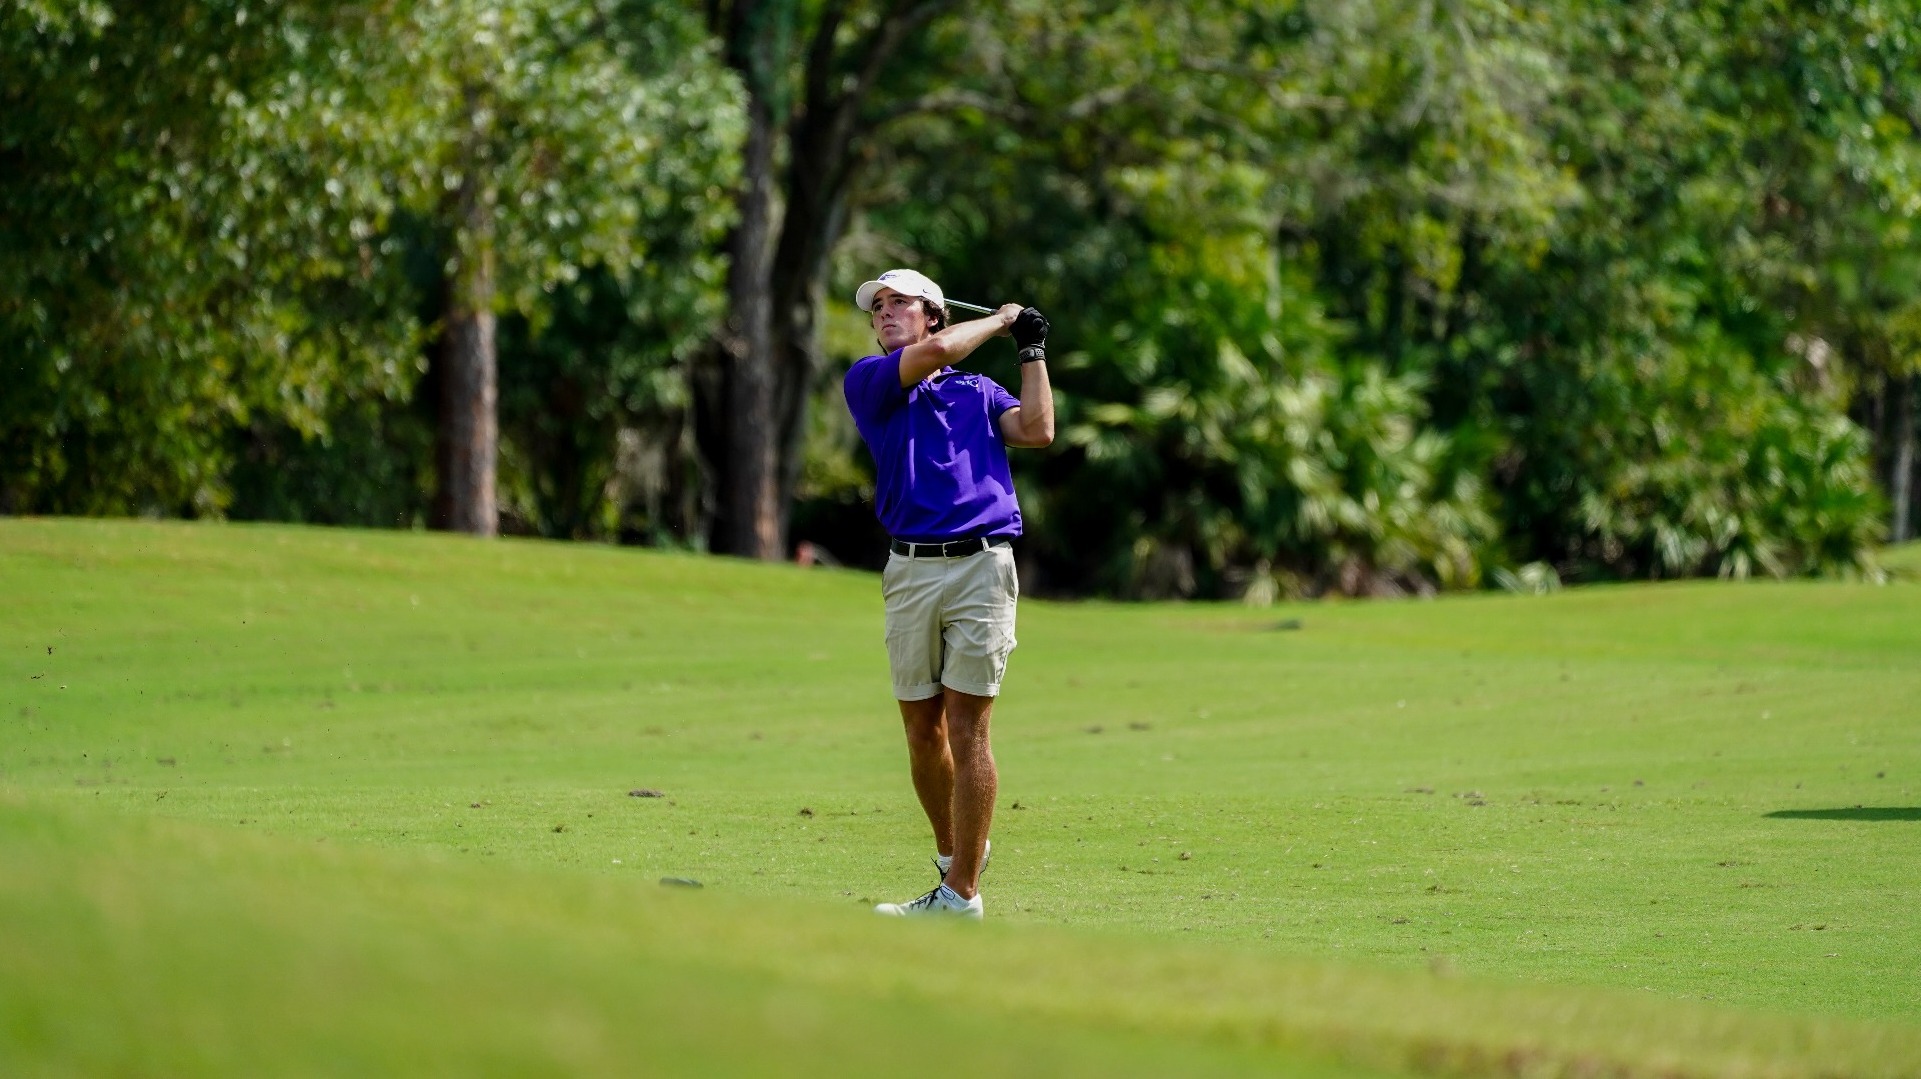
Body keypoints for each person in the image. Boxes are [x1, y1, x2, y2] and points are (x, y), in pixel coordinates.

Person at [841, 268, 1053, 920]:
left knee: (967, 726)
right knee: (919, 728)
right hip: (909, 569)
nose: (883, 312)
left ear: (932, 311)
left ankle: (961, 892)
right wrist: (999, 319)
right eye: (877, 306)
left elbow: (1037, 430)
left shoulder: (976, 390)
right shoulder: (871, 382)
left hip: (981, 568)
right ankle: (953, 855)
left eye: (897, 301)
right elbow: (934, 354)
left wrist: (1031, 350)